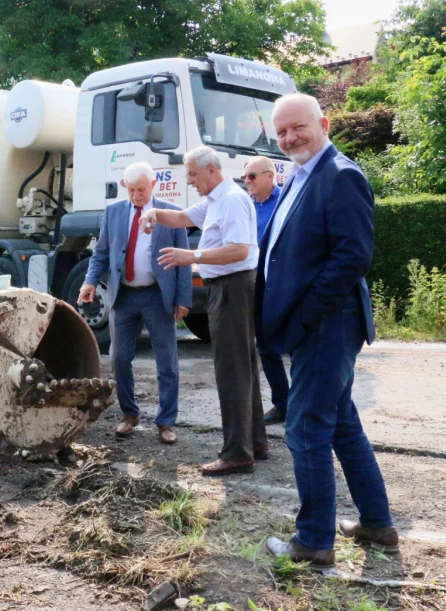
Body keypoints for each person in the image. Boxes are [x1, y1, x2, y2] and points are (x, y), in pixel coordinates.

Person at [259, 94, 396, 568]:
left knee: (305, 428)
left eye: (298, 127)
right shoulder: (301, 175)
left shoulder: (341, 175)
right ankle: (377, 524)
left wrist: (305, 317)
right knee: (341, 424)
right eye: (281, 132)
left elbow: (352, 256)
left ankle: (313, 540)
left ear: (323, 122)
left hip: (328, 325)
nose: (290, 137)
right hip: (319, 325)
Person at [140, 146, 266, 476]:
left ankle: (238, 453)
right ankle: (255, 441)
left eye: (193, 174)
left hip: (233, 287)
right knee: (244, 365)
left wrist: (192, 256)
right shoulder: (215, 199)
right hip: (230, 287)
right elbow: (182, 217)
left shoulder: (232, 200)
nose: (190, 180)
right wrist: (154, 213)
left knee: (232, 369)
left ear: (211, 170)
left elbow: (239, 250)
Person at [79, 162, 192, 445]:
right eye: (131, 190)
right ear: (124, 186)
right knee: (119, 358)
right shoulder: (114, 212)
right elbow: (101, 253)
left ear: (153, 185)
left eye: (141, 189)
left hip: (157, 295)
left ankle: (166, 422)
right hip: (124, 296)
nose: (136, 195)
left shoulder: (171, 213)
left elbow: (184, 262)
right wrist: (90, 282)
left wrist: (183, 299)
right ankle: (129, 415)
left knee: (167, 360)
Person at [243, 157, 289, 425]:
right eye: (245, 177)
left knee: (296, 345)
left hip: (284, 284)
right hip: (256, 284)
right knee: (266, 346)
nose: (247, 182)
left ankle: (308, 405)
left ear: (270, 176)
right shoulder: (246, 206)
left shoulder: (286, 202)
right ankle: (282, 404)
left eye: (252, 176)